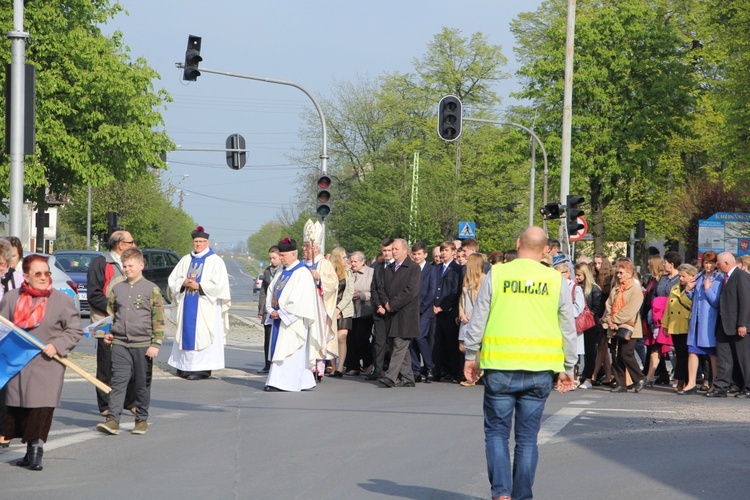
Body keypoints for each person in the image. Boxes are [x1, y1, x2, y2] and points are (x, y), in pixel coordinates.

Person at [463, 227, 577, 500]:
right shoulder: (554, 279)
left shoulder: (498, 273)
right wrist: (568, 367)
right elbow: (567, 326)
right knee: (527, 439)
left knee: (497, 434)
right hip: (540, 370)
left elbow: (479, 318)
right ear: (546, 249)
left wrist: (471, 355)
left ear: (517, 244)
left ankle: (502, 492)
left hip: (500, 366)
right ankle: (522, 494)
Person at [0, 255, 83, 471]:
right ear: (26, 276)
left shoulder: (61, 300)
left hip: (48, 363)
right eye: (38, 274)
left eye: (47, 273)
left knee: (41, 408)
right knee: (21, 410)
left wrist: (57, 345)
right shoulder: (11, 298)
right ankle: (28, 452)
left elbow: (74, 330)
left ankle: (36, 451)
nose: (44, 277)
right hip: (18, 363)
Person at [96, 248, 164, 435]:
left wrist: (155, 343)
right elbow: (111, 315)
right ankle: (113, 420)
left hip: (142, 345)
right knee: (118, 382)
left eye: (130, 266)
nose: (127, 269)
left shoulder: (151, 289)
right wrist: (108, 333)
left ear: (141, 266)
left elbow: (158, 318)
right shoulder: (117, 288)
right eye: (124, 266)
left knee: (141, 384)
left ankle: (141, 420)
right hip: (120, 344)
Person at [167, 226, 231, 380]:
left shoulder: (216, 261)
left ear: (207, 242)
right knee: (185, 333)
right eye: (196, 241)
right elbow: (172, 279)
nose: (198, 244)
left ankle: (202, 369)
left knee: (203, 334)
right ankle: (184, 366)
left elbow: (221, 285)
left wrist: (200, 286)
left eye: (202, 241)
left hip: (205, 306)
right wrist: (183, 283)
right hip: (187, 301)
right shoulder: (185, 260)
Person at [86, 230, 134, 415]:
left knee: (131, 364)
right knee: (106, 367)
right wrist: (117, 308)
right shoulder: (101, 263)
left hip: (129, 325)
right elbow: (94, 295)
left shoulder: (131, 264)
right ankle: (105, 405)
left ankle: (130, 402)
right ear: (120, 245)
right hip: (105, 323)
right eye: (131, 242)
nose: (134, 245)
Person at [264, 237, 320, 392]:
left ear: (294, 255)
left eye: (283, 256)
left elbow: (301, 300)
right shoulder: (282, 271)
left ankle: (284, 382)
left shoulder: (302, 273)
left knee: (290, 350)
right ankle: (301, 381)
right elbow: (271, 291)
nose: (281, 258)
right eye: (280, 255)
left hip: (293, 321)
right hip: (279, 317)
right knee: (281, 348)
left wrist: (281, 313)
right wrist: (270, 309)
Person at [378, 239, 421, 388]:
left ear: (404, 250)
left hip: (406, 314)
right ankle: (408, 377)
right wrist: (386, 303)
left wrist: (393, 304)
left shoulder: (413, 268)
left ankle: (390, 376)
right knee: (396, 345)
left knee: (399, 344)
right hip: (392, 313)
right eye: (392, 249)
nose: (394, 251)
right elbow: (381, 288)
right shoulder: (389, 269)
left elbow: (411, 291)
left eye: (396, 249)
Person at [707, 252, 750, 398]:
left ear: (726, 263)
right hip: (724, 324)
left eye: (718, 263)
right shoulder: (725, 277)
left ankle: (747, 386)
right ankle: (722, 386)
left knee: (743, 358)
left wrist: (743, 324)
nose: (717, 266)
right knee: (723, 356)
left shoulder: (741, 276)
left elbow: (746, 302)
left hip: (738, 324)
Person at [602, 258, 646, 393]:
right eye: (617, 273)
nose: (618, 275)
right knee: (615, 354)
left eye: (621, 273)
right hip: (614, 325)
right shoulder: (616, 289)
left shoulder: (635, 289)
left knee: (626, 353)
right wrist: (609, 319)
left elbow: (631, 309)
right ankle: (621, 383)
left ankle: (639, 378)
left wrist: (615, 319)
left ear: (629, 273)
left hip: (629, 327)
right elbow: (609, 304)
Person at [302, 219, 338, 377]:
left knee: (318, 335)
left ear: (315, 249)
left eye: (306, 247)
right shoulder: (301, 264)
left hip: (319, 307)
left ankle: (319, 367)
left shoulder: (324, 264)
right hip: (303, 306)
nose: (303, 249)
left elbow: (333, 283)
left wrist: (319, 278)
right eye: (303, 246)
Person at [684, 251, 721, 393]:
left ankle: (714, 384)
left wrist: (707, 289)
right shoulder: (698, 277)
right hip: (696, 320)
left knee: (711, 353)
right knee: (692, 351)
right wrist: (688, 290)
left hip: (709, 322)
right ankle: (691, 383)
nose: (708, 265)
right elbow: (693, 297)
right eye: (706, 262)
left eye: (711, 263)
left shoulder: (718, 279)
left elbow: (716, 302)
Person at [0, 238, 24, 448]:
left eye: (3, 262)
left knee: (8, 386)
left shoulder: (17, 278)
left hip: (11, 338)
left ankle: (5, 430)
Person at [663, 263, 698, 393]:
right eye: (680, 276)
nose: (681, 279)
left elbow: (691, 303)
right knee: (678, 353)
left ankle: (682, 380)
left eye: (684, 276)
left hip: (686, 325)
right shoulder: (674, 288)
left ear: (691, 276)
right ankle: (682, 380)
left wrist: (687, 291)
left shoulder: (694, 288)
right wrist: (665, 324)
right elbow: (668, 307)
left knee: (684, 354)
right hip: (675, 324)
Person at [433, 240, 463, 382]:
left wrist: (443, 307)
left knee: (451, 344)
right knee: (437, 342)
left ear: (453, 252)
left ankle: (455, 372)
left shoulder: (457, 269)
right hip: (435, 310)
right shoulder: (437, 268)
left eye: (446, 251)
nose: (443, 253)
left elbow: (455, 291)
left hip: (449, 312)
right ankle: (438, 370)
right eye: (442, 251)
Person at [409, 242, 437, 383]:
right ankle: (416, 370)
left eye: (419, 254)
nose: (416, 256)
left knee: (420, 337)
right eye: (414, 254)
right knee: (412, 339)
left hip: (425, 309)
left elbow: (432, 291)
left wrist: (422, 307)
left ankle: (429, 366)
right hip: (410, 309)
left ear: (425, 254)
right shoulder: (411, 269)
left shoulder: (431, 270)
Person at [368, 238, 395, 380]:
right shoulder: (378, 266)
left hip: (392, 310)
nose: (386, 253)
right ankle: (377, 370)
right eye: (384, 251)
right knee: (379, 341)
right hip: (379, 310)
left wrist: (388, 306)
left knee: (392, 342)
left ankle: (392, 371)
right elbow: (374, 288)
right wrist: (379, 305)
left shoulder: (397, 266)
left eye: (389, 250)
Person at [457, 253, 486, 387]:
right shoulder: (467, 280)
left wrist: (468, 315)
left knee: (471, 346)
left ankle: (475, 374)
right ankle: (477, 370)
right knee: (463, 346)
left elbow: (481, 303)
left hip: (473, 318)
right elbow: (462, 300)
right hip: (464, 318)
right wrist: (461, 313)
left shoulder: (484, 280)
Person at [574, 262, 604, 390]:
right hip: (579, 323)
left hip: (590, 324)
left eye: (579, 274)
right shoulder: (576, 287)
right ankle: (579, 375)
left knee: (589, 351)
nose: (577, 277)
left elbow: (597, 308)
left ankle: (588, 377)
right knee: (577, 350)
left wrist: (586, 316)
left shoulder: (594, 288)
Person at [346, 251, 374, 376]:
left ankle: (368, 363)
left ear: (363, 261)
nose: (353, 264)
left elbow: (375, 292)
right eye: (351, 261)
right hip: (351, 310)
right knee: (351, 338)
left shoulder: (371, 273)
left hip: (366, 311)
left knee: (361, 337)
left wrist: (362, 295)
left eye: (355, 261)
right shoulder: (350, 273)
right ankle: (353, 366)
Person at [330, 246, 353, 377]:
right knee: (331, 338)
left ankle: (340, 367)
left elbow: (349, 293)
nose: (346, 259)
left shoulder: (348, 273)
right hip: (330, 308)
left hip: (344, 309)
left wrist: (339, 308)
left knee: (341, 337)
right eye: (344, 257)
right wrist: (332, 309)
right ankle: (332, 367)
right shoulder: (329, 272)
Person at [257, 246, 281, 374]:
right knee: (267, 337)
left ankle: (276, 364)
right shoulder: (267, 271)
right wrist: (261, 310)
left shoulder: (284, 271)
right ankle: (267, 364)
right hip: (268, 309)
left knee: (278, 337)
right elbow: (263, 292)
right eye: (270, 258)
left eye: (274, 258)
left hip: (279, 309)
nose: (272, 260)